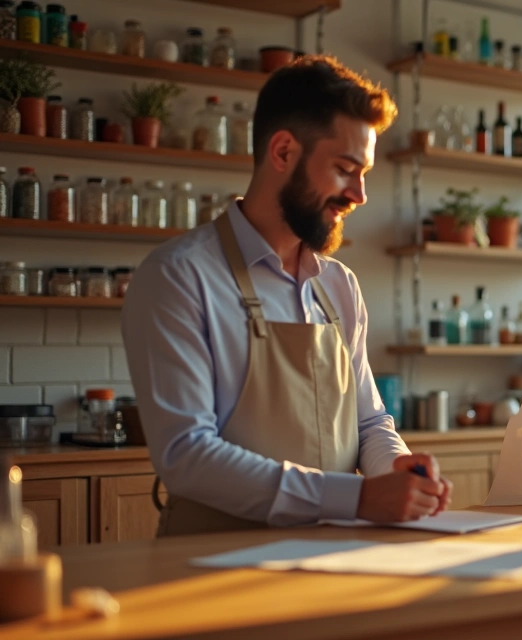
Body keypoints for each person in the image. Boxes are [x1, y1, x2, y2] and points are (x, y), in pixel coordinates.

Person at [122, 56, 452, 537]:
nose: (359, 194)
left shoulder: (339, 286)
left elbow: (369, 423)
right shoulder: (178, 276)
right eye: (345, 169)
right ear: (282, 152)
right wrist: (357, 497)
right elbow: (187, 454)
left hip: (331, 555)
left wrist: (394, 468)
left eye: (364, 173)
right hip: (210, 560)